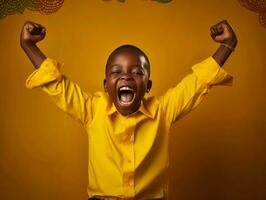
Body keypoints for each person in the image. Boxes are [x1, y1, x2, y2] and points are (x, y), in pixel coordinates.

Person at [20, 20, 237, 200]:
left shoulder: (163, 110)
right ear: (106, 86)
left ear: (148, 87)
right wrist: (30, 47)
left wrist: (227, 45)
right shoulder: (92, 109)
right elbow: (58, 85)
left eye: (137, 72)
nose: (126, 76)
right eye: (117, 72)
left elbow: (197, 83)